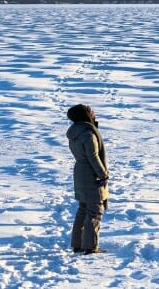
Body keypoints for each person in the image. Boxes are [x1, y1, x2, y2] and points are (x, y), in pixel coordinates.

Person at [66, 104, 109, 254]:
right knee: (95, 210)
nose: (94, 113)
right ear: (85, 115)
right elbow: (93, 157)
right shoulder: (88, 134)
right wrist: (103, 174)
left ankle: (78, 244)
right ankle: (90, 246)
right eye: (90, 111)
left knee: (83, 208)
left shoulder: (75, 132)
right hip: (90, 173)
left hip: (80, 172)